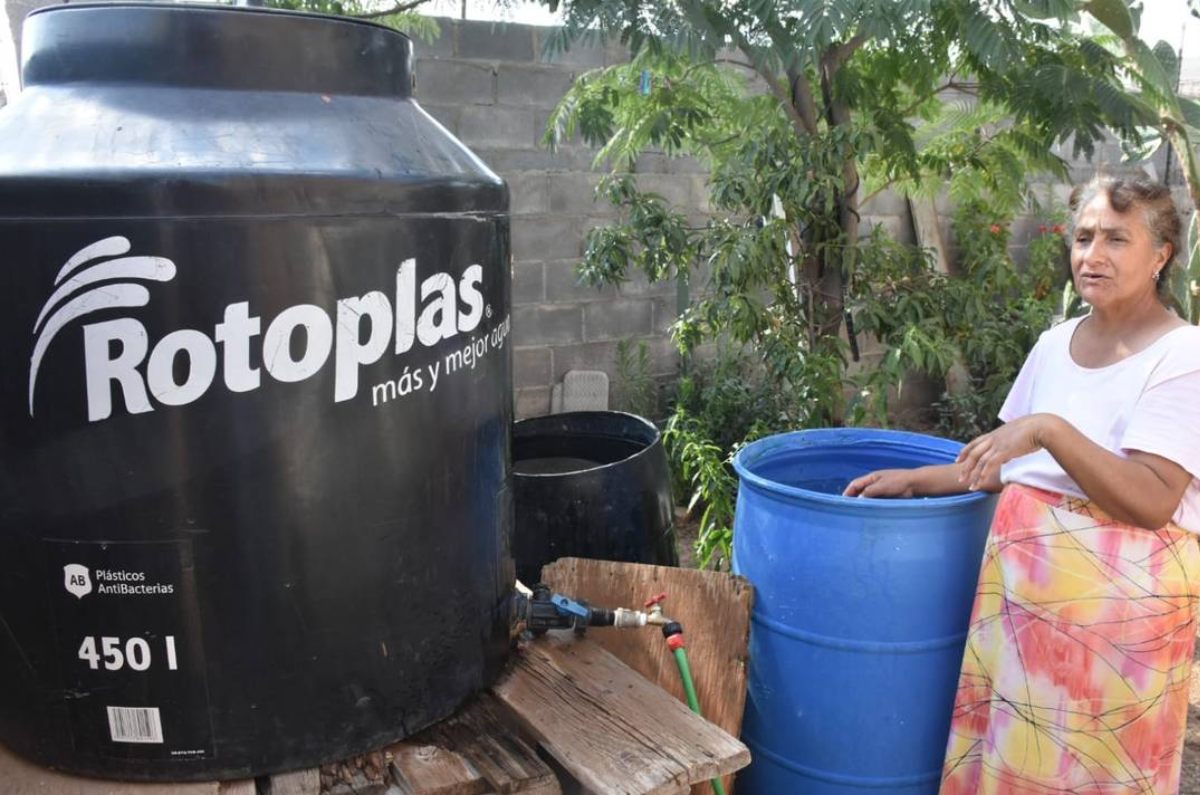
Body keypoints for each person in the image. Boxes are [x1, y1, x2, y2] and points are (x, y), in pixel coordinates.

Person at [843, 173, 1200, 794]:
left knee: (1095, 772)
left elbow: (1151, 499)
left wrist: (1048, 428)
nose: (1092, 255)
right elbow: (1007, 460)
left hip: (1118, 627)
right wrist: (915, 482)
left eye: (1117, 239)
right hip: (1023, 611)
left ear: (1161, 255)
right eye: (1084, 237)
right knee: (1020, 762)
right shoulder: (1055, 344)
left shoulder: (1183, 355)